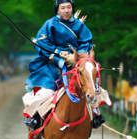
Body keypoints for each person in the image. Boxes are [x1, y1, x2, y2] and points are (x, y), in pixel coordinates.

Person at [22, 0, 109, 131]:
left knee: (93, 88)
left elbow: (86, 43)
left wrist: (77, 56)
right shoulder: (50, 24)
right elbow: (42, 44)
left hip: (76, 65)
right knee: (47, 93)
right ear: (57, 10)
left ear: (72, 9)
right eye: (63, 8)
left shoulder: (80, 26)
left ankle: (95, 115)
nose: (66, 10)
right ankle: (33, 117)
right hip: (52, 66)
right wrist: (60, 55)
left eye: (69, 7)